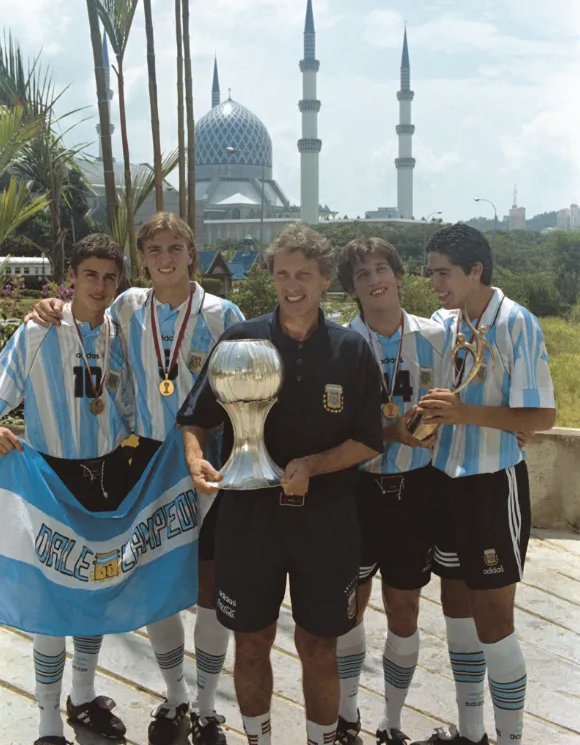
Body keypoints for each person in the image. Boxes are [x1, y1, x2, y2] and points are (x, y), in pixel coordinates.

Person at [29, 212, 243, 745]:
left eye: (175, 247)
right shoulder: (127, 307)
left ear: (192, 252)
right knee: (158, 588)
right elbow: (93, 343)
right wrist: (50, 305)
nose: (165, 258)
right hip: (144, 468)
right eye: (154, 250)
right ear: (142, 259)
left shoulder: (223, 314)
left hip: (210, 468)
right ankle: (176, 700)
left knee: (212, 593)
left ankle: (210, 708)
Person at [178, 224, 384, 745]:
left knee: (319, 646)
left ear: (324, 281)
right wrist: (196, 459)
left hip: (327, 519)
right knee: (251, 643)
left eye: (306, 275)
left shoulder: (351, 349)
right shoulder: (239, 340)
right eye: (283, 273)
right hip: (249, 518)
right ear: (270, 276)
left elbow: (370, 440)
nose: (294, 285)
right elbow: (195, 419)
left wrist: (312, 465)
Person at [412, 224, 556, 745]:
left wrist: (465, 412)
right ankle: (471, 732)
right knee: (456, 609)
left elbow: (541, 416)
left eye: (443, 272)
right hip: (444, 481)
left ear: (476, 271)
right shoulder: (445, 324)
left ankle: (511, 737)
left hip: (493, 484)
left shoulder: (517, 323)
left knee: (495, 618)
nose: (434, 283)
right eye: (430, 272)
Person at [0, 234, 133, 745]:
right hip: (49, 480)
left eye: (110, 277)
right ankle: (48, 721)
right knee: (52, 603)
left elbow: (131, 409)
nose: (99, 286)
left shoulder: (119, 335)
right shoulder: (40, 329)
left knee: (94, 592)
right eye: (90, 274)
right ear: (70, 277)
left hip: (106, 482)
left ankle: (83, 696)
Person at [334, 237, 446, 745]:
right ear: (352, 289)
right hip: (355, 492)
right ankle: (347, 713)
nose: (375, 279)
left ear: (400, 276)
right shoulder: (337, 345)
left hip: (416, 490)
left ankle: (393, 720)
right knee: (348, 606)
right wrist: (388, 433)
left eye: (382, 269)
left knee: (404, 609)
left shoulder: (438, 337)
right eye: (362, 275)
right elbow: (328, 426)